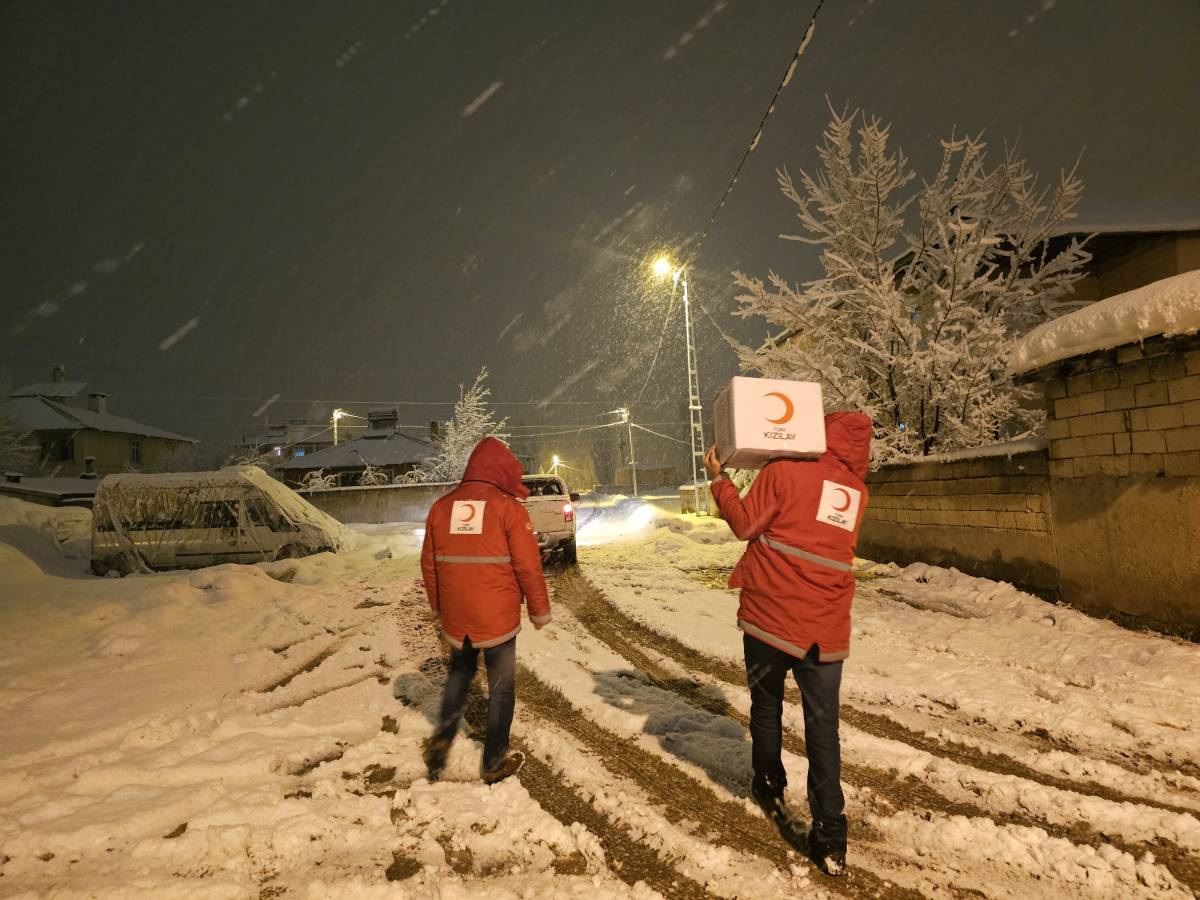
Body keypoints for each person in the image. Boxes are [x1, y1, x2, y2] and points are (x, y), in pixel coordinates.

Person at [703, 412, 872, 877]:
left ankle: (769, 782)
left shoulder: (783, 470)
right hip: (826, 628)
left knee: (766, 706)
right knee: (823, 730)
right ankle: (831, 835)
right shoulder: (856, 493)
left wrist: (720, 480)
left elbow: (743, 525)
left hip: (770, 620)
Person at [420, 436, 552, 784]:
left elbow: (429, 565)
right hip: (497, 620)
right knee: (501, 689)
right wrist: (539, 609)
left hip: (458, 618)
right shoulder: (509, 510)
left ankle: (442, 741)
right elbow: (528, 567)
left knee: (459, 675)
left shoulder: (441, 508)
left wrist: (438, 606)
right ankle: (493, 762)